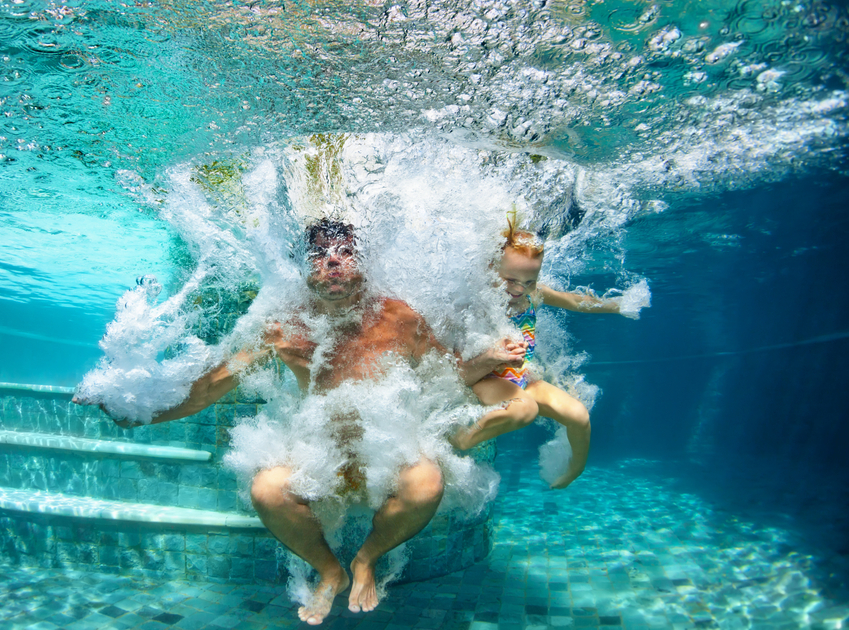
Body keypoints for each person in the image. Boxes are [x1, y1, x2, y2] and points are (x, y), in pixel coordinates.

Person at [76, 218, 495, 625]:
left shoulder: (398, 318)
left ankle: (366, 558)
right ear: (301, 268)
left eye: (346, 253)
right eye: (319, 255)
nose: (333, 262)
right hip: (317, 453)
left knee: (427, 484)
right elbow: (209, 387)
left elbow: (449, 375)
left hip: (384, 453)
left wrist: (497, 365)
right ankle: (331, 570)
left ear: (364, 264)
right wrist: (143, 414)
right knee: (267, 490)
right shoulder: (283, 325)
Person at [452, 213, 648, 489]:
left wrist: (617, 305)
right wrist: (492, 356)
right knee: (526, 410)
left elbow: (575, 301)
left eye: (529, 281)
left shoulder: (534, 294)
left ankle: (572, 472)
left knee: (579, 416)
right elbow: (456, 369)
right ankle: (463, 438)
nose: (519, 289)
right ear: (491, 267)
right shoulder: (478, 303)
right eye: (510, 280)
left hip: (522, 380)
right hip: (488, 381)